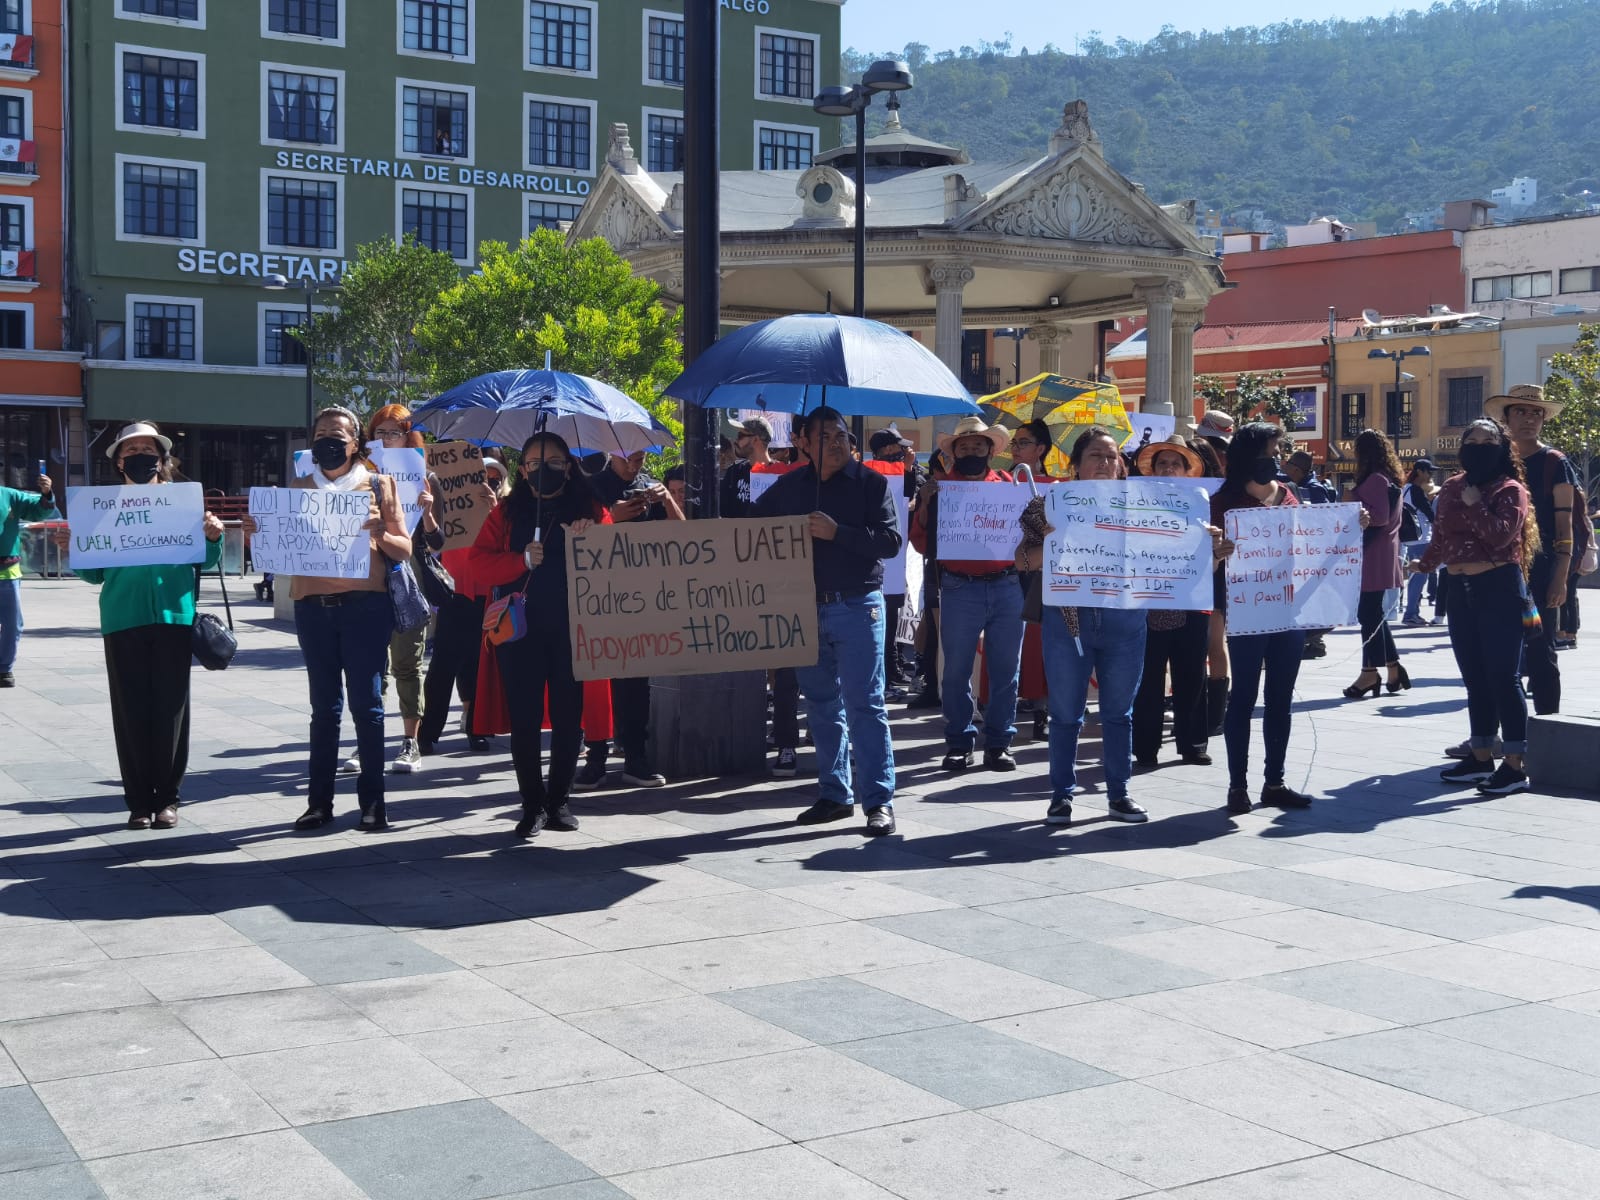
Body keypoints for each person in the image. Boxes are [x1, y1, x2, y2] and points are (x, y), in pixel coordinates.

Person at [242, 406, 412, 831]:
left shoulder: (379, 484)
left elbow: (404, 549)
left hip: (365, 609)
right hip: (313, 610)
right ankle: (319, 803)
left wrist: (379, 532)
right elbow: (280, 547)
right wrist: (258, 534)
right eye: (320, 433)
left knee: (368, 706)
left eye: (337, 433)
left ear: (356, 443)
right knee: (324, 708)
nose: (328, 440)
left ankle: (374, 803)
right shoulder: (298, 487)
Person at [53, 422, 223, 828]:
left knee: (171, 711)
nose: (140, 456)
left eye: (148, 450)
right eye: (131, 451)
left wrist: (213, 537)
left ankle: (167, 799)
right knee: (130, 712)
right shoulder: (100, 510)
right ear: (119, 463)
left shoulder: (183, 503)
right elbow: (96, 577)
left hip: (173, 617)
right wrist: (75, 551)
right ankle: (138, 802)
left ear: (162, 460)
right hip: (122, 618)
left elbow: (207, 562)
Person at [753, 406, 900, 836]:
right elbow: (750, 530)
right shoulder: (789, 487)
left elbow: (891, 542)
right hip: (805, 608)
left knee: (865, 705)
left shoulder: (871, 484)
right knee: (820, 705)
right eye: (826, 437)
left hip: (858, 606)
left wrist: (838, 533)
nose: (837, 444)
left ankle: (879, 801)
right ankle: (835, 794)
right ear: (802, 442)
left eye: (842, 436)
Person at [468, 432, 610, 837]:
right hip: (521, 634)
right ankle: (531, 804)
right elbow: (478, 564)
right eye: (532, 462)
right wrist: (520, 561)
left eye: (552, 461)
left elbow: (615, 553)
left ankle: (559, 801)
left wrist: (594, 531)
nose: (541, 468)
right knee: (525, 721)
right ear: (522, 468)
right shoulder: (508, 513)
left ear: (568, 466)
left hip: (573, 629)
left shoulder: (590, 507)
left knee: (569, 718)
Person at [1212, 422, 1350, 814]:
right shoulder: (1224, 504)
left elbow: (1314, 541)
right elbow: (1205, 559)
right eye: (1268, 452)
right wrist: (1216, 551)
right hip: (1248, 611)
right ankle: (1237, 785)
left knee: (1280, 699)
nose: (1274, 459)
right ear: (1247, 457)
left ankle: (1275, 781)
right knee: (1243, 697)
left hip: (1289, 610)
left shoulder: (1289, 496)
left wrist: (1349, 528)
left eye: (1277, 451)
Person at [1022, 427, 1152, 825]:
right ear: (1076, 465)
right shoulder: (1048, 506)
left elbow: (1174, 550)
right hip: (1068, 621)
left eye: (1113, 456)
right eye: (1096, 455)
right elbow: (1021, 561)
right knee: (1065, 714)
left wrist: (1207, 543)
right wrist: (1053, 542)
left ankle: (1119, 794)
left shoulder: (1145, 505)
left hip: (1125, 618)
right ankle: (1061, 795)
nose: (1106, 463)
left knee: (1118, 713)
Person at [1411, 418, 1539, 795]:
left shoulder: (1510, 489)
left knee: (1504, 677)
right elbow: (1441, 537)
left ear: (1502, 447)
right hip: (1459, 588)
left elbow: (1501, 537)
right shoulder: (1451, 487)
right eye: (1472, 440)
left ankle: (1515, 764)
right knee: (1475, 678)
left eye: (1488, 441)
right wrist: (1424, 565)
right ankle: (1481, 755)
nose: (1479, 446)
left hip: (1498, 586)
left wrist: (1477, 505)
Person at [910, 416, 1024, 773]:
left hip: (1007, 585)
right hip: (959, 587)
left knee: (1006, 670)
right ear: (953, 452)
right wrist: (926, 504)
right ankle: (959, 741)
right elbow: (920, 543)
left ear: (990, 451)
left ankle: (999, 743)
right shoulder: (940, 488)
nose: (971, 450)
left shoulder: (1009, 485)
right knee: (956, 671)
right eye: (964, 446)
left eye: (978, 445)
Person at [581, 448, 685, 788]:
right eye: (628, 458)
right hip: (599, 597)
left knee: (637, 682)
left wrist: (668, 499)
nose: (633, 465)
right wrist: (612, 515)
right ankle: (595, 755)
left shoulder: (650, 487)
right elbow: (577, 537)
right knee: (599, 683)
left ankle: (635, 757)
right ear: (613, 454)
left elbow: (682, 535)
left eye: (639, 458)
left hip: (640, 598)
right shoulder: (591, 487)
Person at [720, 416, 802, 776]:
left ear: (756, 439)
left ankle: (786, 741)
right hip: (742, 575)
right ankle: (747, 733)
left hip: (784, 576)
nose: (735, 440)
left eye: (740, 434)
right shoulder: (734, 475)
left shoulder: (785, 473)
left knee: (786, 662)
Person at [1489, 384, 1574, 714]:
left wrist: (1561, 575)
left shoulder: (1555, 462)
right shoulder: (1496, 461)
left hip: (1539, 568)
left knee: (1540, 650)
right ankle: (1495, 736)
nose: (1529, 418)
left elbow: (1564, 524)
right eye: (1521, 411)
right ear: (1507, 417)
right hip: (1496, 568)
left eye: (1536, 412)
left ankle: (1548, 730)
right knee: (1497, 653)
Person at [1131, 438, 1215, 768]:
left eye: (1175, 464)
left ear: (1185, 471)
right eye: (1162, 463)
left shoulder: (1200, 503)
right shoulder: (1136, 503)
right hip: (1149, 601)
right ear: (1153, 470)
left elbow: (1211, 557)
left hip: (1191, 600)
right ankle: (1145, 747)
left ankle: (1193, 744)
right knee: (1148, 677)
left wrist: (1216, 543)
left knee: (1192, 674)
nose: (1168, 468)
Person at [365, 405, 441, 773]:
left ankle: (410, 742)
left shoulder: (424, 477)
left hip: (407, 578)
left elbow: (440, 542)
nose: (387, 439)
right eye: (380, 433)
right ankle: (368, 739)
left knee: (407, 663)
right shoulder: (360, 476)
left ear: (409, 438)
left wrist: (426, 513)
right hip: (366, 577)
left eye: (395, 433)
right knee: (370, 663)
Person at [417, 456, 507, 755]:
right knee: (443, 666)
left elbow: (511, 546)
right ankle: (428, 732)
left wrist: (494, 509)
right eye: (482, 478)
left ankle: (477, 730)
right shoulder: (451, 503)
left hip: (488, 597)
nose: (487, 484)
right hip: (455, 594)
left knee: (478, 667)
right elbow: (434, 540)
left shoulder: (505, 511)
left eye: (494, 479)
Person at [1002, 419, 1057, 740]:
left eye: (1023, 442)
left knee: (1040, 643)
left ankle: (1043, 710)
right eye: (1014, 442)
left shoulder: (1056, 486)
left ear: (1040, 449)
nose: (1016, 448)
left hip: (1039, 574)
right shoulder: (998, 484)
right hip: (1005, 573)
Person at [1345, 429, 1409, 699]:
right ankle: (1393, 668)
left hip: (1372, 555)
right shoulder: (1389, 477)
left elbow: (1378, 517)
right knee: (1373, 614)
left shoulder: (1375, 479)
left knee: (1368, 615)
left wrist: (1351, 502)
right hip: (1383, 553)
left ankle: (1369, 672)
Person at [869, 423, 926, 699]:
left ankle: (892, 667)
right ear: (885, 450)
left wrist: (910, 472)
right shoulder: (872, 477)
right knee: (884, 619)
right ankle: (887, 671)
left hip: (901, 558)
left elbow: (914, 496)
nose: (904, 452)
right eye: (897, 448)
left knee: (893, 616)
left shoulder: (909, 473)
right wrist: (905, 472)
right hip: (882, 562)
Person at [0, 463, 56, 687]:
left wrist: (46, 492)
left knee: (13, 624)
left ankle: (4, 669)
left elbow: (40, 509)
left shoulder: (10, 496)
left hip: (8, 574)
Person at [1401, 459, 1439, 626]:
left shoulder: (1405, 489)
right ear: (1420, 471)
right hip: (1421, 537)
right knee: (1419, 576)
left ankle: (1411, 612)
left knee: (1416, 576)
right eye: (1429, 471)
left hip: (1410, 538)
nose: (1431, 475)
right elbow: (1430, 514)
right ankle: (1411, 613)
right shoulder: (1415, 490)